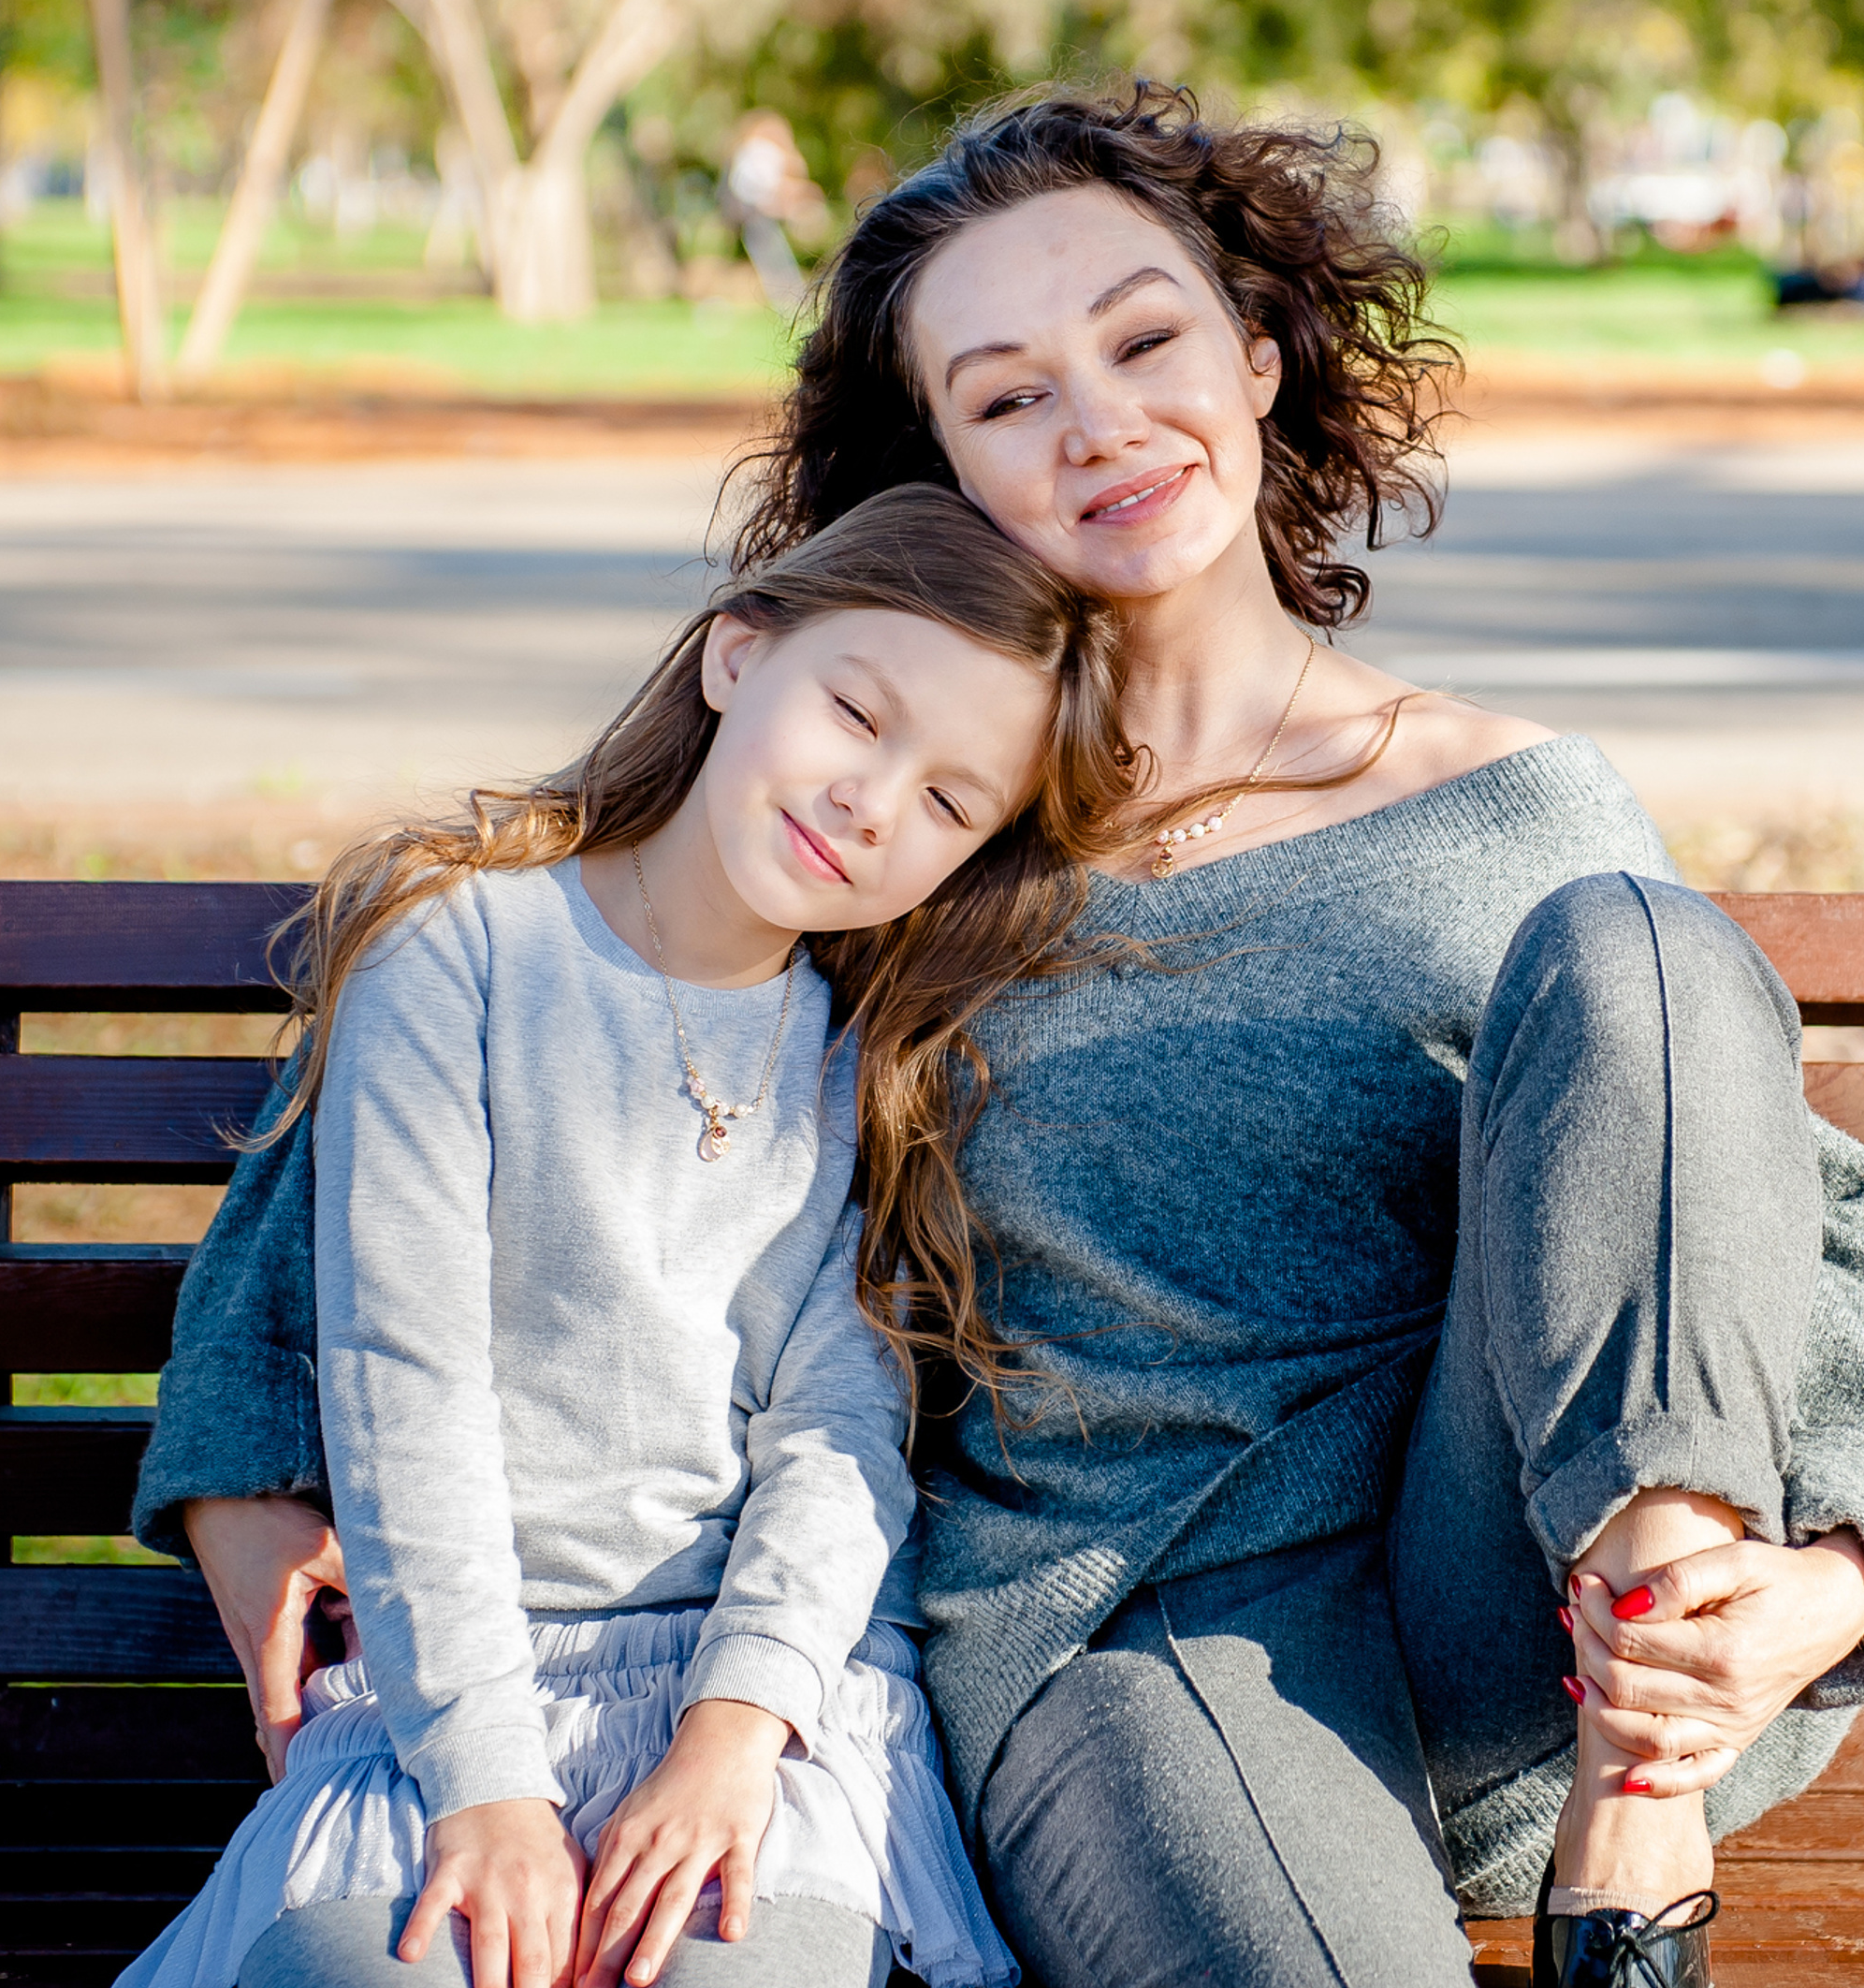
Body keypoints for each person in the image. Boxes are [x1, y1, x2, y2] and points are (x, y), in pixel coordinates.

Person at [139, 84, 1864, 1988]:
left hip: (1535, 1617)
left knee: (1645, 946)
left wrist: (1817, 1581)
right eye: (1005, 394)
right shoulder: (893, 809)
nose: (1096, 418)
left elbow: (1782, 1219)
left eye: (1143, 338)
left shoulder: (1509, 807)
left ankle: (1642, 1815)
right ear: (929, 471)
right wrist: (245, 1466)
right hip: (1129, 1626)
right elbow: (487, 1022)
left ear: (1257, 357)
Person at [126, 486, 1130, 1988]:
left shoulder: (877, 1052)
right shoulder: (454, 955)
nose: (871, 801)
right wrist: (486, 1789)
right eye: (857, 713)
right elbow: (406, 1388)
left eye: (947, 802)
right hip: (461, 1684)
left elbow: (841, 1425)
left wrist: (736, 1733)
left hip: (750, 1692)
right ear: (738, 655)